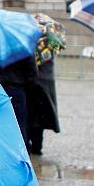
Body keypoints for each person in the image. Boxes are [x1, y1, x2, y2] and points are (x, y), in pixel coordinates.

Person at [29, 14, 64, 155]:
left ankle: (30, 143)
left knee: (31, 115)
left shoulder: (30, 46)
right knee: (42, 116)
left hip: (33, 82)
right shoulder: (51, 44)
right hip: (46, 83)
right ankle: (38, 145)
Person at [0, 55, 40, 147]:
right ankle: (21, 152)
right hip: (17, 90)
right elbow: (32, 75)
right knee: (19, 125)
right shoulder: (23, 51)